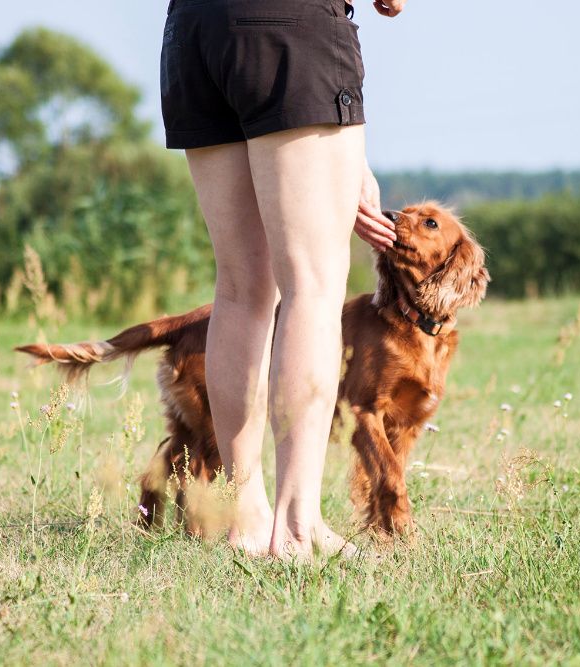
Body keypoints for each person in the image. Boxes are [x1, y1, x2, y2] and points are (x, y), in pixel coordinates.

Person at [160, 0, 406, 558]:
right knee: (313, 288)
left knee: (241, 289)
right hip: (290, 28)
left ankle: (241, 519)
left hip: (194, 30)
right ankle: (297, 525)